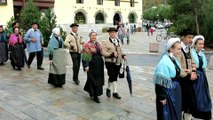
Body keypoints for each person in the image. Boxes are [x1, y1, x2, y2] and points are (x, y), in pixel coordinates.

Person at [154, 38, 183, 120]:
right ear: (171, 49)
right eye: (178, 49)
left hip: (175, 91)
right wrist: (161, 97)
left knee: (175, 112)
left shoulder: (173, 59)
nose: (180, 51)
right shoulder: (164, 62)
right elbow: (159, 81)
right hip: (168, 92)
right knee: (167, 114)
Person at [102, 27, 127, 99]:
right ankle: (115, 92)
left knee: (114, 77)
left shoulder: (118, 40)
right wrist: (111, 54)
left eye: (114, 32)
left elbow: (120, 51)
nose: (112, 33)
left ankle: (109, 89)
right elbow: (103, 52)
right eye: (111, 32)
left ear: (115, 33)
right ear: (109, 33)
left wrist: (123, 55)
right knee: (112, 76)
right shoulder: (105, 42)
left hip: (118, 62)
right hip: (110, 62)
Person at [178, 29, 197, 120]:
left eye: (192, 38)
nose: (191, 40)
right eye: (189, 37)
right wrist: (189, 74)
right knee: (184, 100)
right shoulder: (179, 49)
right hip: (181, 79)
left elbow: (193, 63)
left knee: (190, 101)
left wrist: (193, 71)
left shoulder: (189, 48)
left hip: (189, 78)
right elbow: (177, 66)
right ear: (183, 38)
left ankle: (187, 116)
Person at [191, 35, 212, 120]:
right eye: (199, 44)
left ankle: (204, 113)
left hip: (202, 77)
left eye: (202, 44)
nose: (201, 46)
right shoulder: (191, 53)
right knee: (196, 95)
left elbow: (204, 65)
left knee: (204, 95)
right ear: (195, 44)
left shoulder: (201, 54)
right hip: (195, 76)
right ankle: (196, 113)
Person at [82, 29, 104, 103]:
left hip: (99, 64)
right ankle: (95, 96)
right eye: (92, 35)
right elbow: (85, 56)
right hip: (91, 64)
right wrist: (86, 65)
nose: (94, 37)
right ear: (89, 36)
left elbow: (101, 53)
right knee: (93, 80)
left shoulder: (98, 44)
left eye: (95, 35)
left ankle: (89, 89)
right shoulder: (86, 45)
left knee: (98, 79)